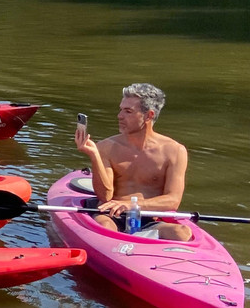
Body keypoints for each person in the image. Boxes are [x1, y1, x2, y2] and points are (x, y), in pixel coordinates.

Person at [74, 82, 192, 241]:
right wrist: (94, 155)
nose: (119, 116)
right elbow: (105, 196)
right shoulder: (106, 147)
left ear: (149, 115)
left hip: (148, 218)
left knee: (182, 233)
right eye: (121, 109)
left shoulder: (175, 151)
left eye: (128, 111)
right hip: (110, 216)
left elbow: (173, 201)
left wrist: (132, 205)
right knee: (105, 227)